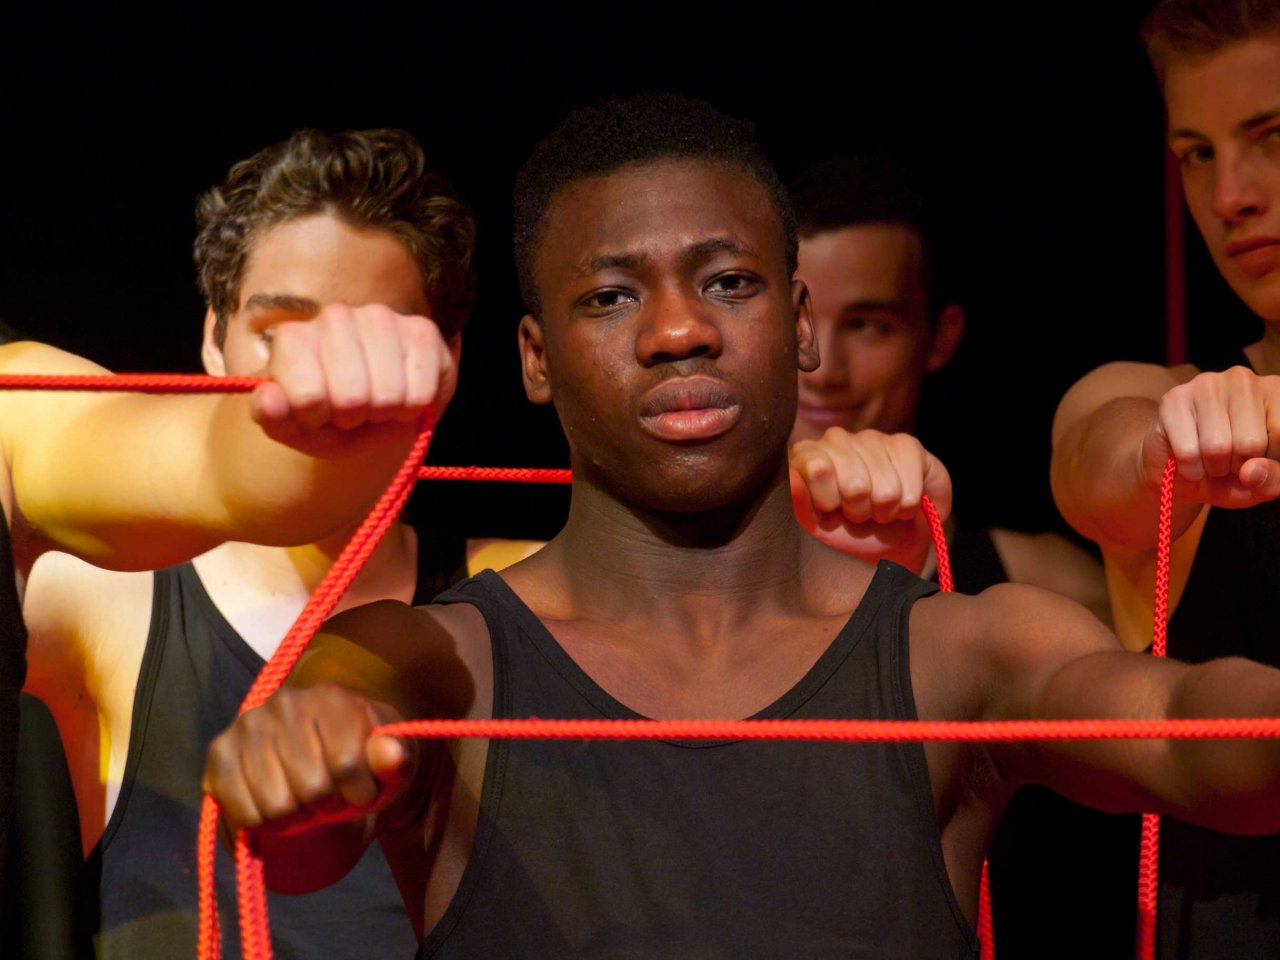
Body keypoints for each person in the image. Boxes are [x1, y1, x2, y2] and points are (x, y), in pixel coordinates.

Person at [205, 92, 1280, 960]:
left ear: (799, 325)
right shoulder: (428, 660)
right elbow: (304, 840)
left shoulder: (961, 650)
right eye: (611, 297)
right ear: (534, 358)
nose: (678, 330)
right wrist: (297, 752)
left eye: (727, 282)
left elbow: (1194, 732)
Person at [21, 129, 474, 959]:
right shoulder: (103, 593)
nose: (322, 374)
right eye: (280, 330)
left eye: (373, 336)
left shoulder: (510, 596)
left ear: (447, 357)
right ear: (212, 338)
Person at [784, 156, 1127, 958]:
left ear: (939, 336)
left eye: (868, 325)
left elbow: (1179, 733)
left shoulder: (1040, 582)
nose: (822, 366)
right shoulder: (656, 567)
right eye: (797, 322)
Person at [1051, 2, 1280, 955]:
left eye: (1273, 138)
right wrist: (1165, 449)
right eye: (1196, 154)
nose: (1230, 196)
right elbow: (1102, 464)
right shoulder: (1156, 396)